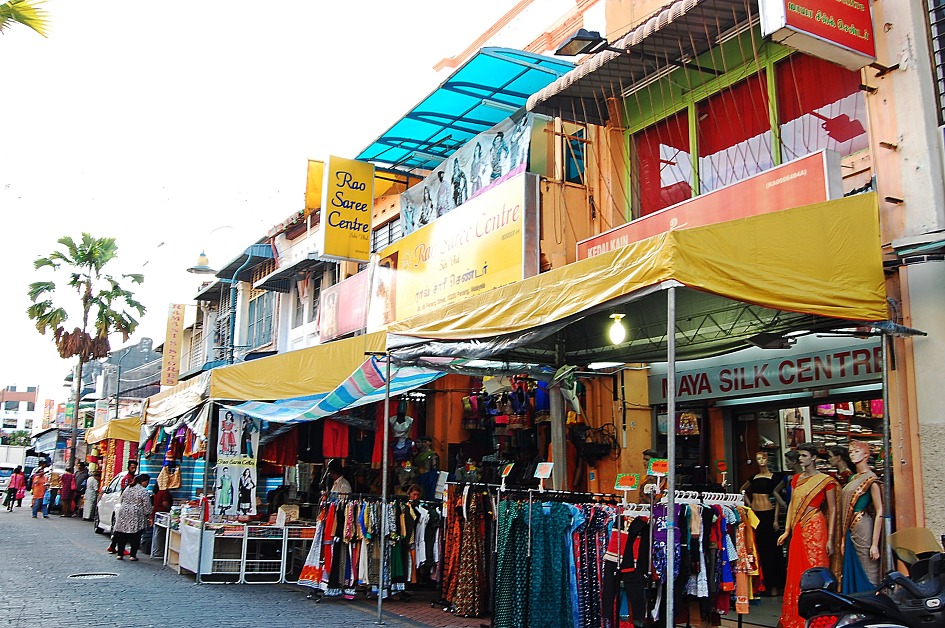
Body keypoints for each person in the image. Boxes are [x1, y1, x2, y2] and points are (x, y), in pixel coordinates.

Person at [778, 443, 838, 628]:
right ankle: (796, 615)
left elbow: (833, 509)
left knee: (816, 568)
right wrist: (787, 530)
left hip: (816, 526)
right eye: (800, 456)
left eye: (804, 455)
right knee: (796, 572)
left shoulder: (825, 480)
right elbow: (791, 507)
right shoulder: (796, 480)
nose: (801, 459)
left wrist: (830, 538)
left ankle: (820, 617)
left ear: (813, 457)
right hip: (798, 529)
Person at [837, 441, 884, 593]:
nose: (852, 454)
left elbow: (880, 512)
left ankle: (871, 598)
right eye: (850, 451)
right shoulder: (853, 479)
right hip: (850, 527)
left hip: (862, 525)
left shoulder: (871, 479)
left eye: (856, 451)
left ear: (866, 455)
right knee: (852, 565)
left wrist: (875, 544)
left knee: (867, 566)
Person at [741, 451, 787, 596]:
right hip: (756, 514)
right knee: (758, 549)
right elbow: (742, 490)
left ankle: (774, 585)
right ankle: (762, 584)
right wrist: (749, 507)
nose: (760, 461)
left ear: (767, 459)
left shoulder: (774, 477)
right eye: (758, 458)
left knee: (771, 550)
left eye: (763, 458)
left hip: (768, 513)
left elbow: (776, 497)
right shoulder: (753, 477)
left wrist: (775, 518)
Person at [113, 473, 152, 561]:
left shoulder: (128, 488)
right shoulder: (143, 491)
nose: (147, 484)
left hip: (124, 511)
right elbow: (147, 505)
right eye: (147, 482)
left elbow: (122, 498)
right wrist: (149, 516)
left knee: (122, 533)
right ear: (143, 481)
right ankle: (132, 555)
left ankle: (120, 554)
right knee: (136, 534)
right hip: (136, 513)